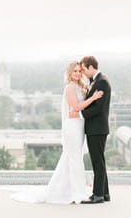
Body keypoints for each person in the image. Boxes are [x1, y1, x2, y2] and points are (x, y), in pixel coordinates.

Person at [10, 61, 103, 204]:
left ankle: (66, 189)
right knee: (74, 158)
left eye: (79, 71)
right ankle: (76, 192)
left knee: (71, 158)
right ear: (69, 73)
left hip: (79, 126)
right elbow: (76, 107)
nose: (78, 73)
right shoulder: (70, 88)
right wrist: (93, 98)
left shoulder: (80, 86)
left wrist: (88, 90)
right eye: (75, 71)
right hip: (72, 127)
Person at [76, 56, 111, 204]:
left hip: (97, 128)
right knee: (99, 161)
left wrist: (80, 113)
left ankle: (98, 195)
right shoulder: (96, 81)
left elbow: (99, 108)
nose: (83, 73)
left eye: (83, 69)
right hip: (96, 128)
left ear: (91, 67)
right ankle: (105, 193)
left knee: (97, 162)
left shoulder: (101, 82)